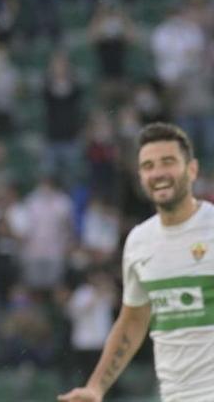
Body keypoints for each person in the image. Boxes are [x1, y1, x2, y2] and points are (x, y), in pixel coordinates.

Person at [59, 122, 214, 402]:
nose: (158, 173)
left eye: (168, 162)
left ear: (192, 169)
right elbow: (132, 320)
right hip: (175, 395)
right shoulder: (139, 241)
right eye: (148, 166)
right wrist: (96, 387)